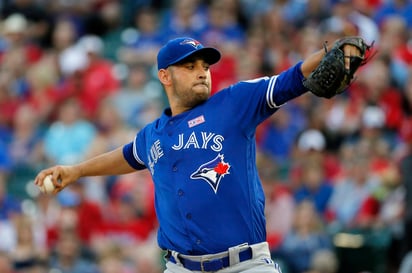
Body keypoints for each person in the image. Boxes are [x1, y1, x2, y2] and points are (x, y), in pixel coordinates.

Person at [34, 36, 364, 273]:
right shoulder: (153, 134)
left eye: (204, 65)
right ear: (165, 76)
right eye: (189, 66)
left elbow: (289, 79)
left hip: (245, 265)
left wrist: (329, 55)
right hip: (181, 268)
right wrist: (76, 170)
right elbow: (127, 155)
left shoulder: (234, 104)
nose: (201, 71)